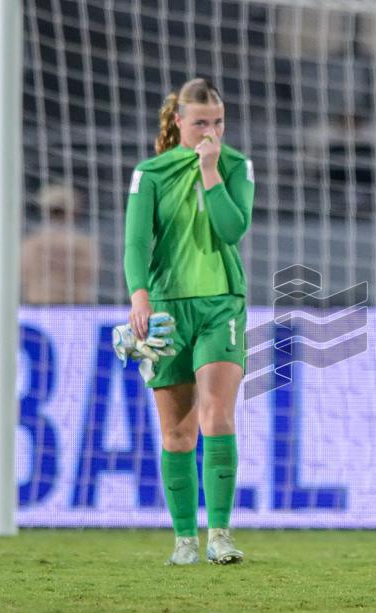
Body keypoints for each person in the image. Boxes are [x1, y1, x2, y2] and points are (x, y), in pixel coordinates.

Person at [123, 77, 254, 565]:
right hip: (167, 308)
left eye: (218, 123)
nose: (210, 133)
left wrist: (211, 171)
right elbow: (136, 243)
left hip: (222, 303)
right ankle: (184, 540)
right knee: (176, 432)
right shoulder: (151, 174)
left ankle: (219, 534)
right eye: (200, 123)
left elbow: (233, 228)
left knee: (217, 414)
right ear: (178, 121)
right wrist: (139, 296)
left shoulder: (235, 166)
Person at [21, 183, 99, 304]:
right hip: (76, 310)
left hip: (37, 308)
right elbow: (91, 275)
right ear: (74, 211)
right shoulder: (85, 245)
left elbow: (23, 275)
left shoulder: (30, 243)